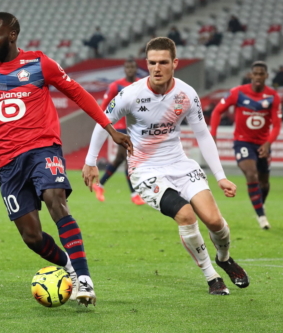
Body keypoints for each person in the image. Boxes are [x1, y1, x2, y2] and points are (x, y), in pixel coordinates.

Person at [0, 12, 132, 307]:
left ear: (12, 35)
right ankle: (70, 266)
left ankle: (84, 277)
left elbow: (78, 93)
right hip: (8, 162)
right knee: (32, 236)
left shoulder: (39, 63)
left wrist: (109, 128)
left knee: (55, 198)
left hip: (42, 148)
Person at [83, 37, 249, 296]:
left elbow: (203, 135)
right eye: (151, 63)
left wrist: (220, 177)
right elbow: (101, 122)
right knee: (186, 216)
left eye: (162, 62)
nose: (156, 68)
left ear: (175, 63)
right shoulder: (131, 94)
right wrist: (90, 162)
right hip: (145, 170)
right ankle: (211, 277)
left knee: (215, 221)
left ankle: (224, 259)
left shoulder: (185, 94)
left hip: (180, 164)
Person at [210, 61, 282, 230]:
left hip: (262, 145)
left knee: (264, 183)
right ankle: (262, 217)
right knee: (251, 174)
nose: (258, 77)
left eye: (261, 74)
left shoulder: (272, 96)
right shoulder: (238, 93)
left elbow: (277, 124)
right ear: (251, 75)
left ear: (266, 76)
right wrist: (212, 134)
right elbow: (217, 111)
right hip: (242, 141)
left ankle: (259, 206)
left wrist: (268, 143)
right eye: (255, 74)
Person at [91, 58, 145, 205]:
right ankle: (134, 194)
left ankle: (100, 185)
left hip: (134, 127)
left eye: (132, 67)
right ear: (124, 69)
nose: (130, 70)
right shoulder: (116, 85)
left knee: (119, 159)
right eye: (127, 67)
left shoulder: (141, 84)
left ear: (136, 69)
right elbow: (104, 106)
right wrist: (107, 126)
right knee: (128, 158)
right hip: (119, 127)